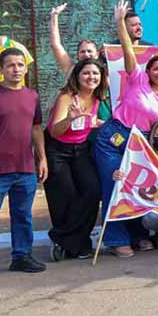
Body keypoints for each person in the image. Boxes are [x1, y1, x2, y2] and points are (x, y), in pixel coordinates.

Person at [94, 1, 158, 258]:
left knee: (136, 189)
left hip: (139, 145)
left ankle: (139, 234)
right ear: (148, 70)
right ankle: (115, 238)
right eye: (156, 68)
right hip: (112, 138)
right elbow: (128, 49)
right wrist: (120, 21)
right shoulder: (137, 77)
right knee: (115, 186)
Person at [0, 47, 48, 291]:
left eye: (20, 65)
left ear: (26, 68)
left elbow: (36, 128)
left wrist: (42, 158)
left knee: (23, 216)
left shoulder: (32, 96)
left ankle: (21, 256)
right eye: (10, 65)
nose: (16, 69)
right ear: (0, 69)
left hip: (25, 168)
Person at [44, 58, 106, 261]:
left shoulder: (97, 97)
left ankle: (63, 238)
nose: (91, 77)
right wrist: (71, 118)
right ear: (77, 76)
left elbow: (93, 121)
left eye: (95, 73)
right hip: (57, 149)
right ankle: (74, 243)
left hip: (80, 149)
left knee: (93, 190)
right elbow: (54, 131)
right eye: (86, 73)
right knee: (66, 194)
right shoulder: (67, 97)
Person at [49, 3, 101, 74]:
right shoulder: (72, 70)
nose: (86, 54)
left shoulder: (105, 73)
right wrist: (54, 16)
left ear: (97, 54)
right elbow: (55, 45)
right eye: (82, 51)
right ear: (78, 55)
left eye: (89, 51)